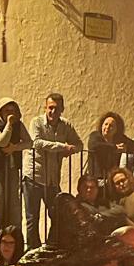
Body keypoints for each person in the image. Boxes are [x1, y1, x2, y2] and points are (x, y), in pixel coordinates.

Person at [26, 93, 82, 248]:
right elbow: (36, 142)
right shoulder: (36, 122)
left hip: (52, 179)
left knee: (58, 215)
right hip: (34, 176)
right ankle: (33, 251)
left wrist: (71, 150)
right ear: (45, 108)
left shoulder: (66, 125)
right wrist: (63, 147)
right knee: (32, 218)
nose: (53, 112)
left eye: (56, 109)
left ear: (62, 109)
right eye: (50, 108)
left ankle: (52, 246)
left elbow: (79, 144)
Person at [0, 99, 32, 234]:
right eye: (7, 111)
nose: (10, 114)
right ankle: (0, 228)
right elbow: (2, 141)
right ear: (1, 112)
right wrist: (8, 125)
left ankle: (15, 230)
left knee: (14, 200)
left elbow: (29, 143)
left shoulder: (19, 125)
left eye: (13, 111)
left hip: (12, 168)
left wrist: (15, 148)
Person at [87, 112, 134, 180]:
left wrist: (125, 147)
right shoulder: (95, 135)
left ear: (117, 129)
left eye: (111, 126)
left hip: (112, 178)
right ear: (101, 125)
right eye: (106, 124)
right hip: (96, 178)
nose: (107, 127)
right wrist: (114, 147)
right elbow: (93, 145)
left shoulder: (119, 138)